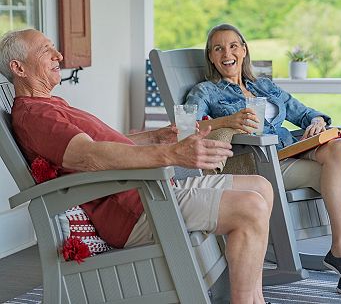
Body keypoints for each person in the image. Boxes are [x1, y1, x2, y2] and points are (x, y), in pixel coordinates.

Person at [0, 28, 274, 304]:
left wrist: (155, 137)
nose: (58, 54)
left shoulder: (51, 105)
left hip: (151, 191)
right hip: (137, 208)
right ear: (18, 68)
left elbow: (105, 143)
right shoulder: (36, 116)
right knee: (250, 207)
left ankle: (254, 298)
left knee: (260, 187)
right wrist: (172, 154)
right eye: (46, 50)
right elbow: (89, 155)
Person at [185, 23, 341, 303]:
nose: (227, 53)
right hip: (263, 164)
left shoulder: (264, 85)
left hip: (290, 151)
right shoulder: (207, 91)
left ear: (244, 51)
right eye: (218, 48)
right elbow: (187, 126)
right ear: (211, 56)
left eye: (233, 46)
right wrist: (226, 122)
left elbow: (305, 113)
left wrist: (317, 122)